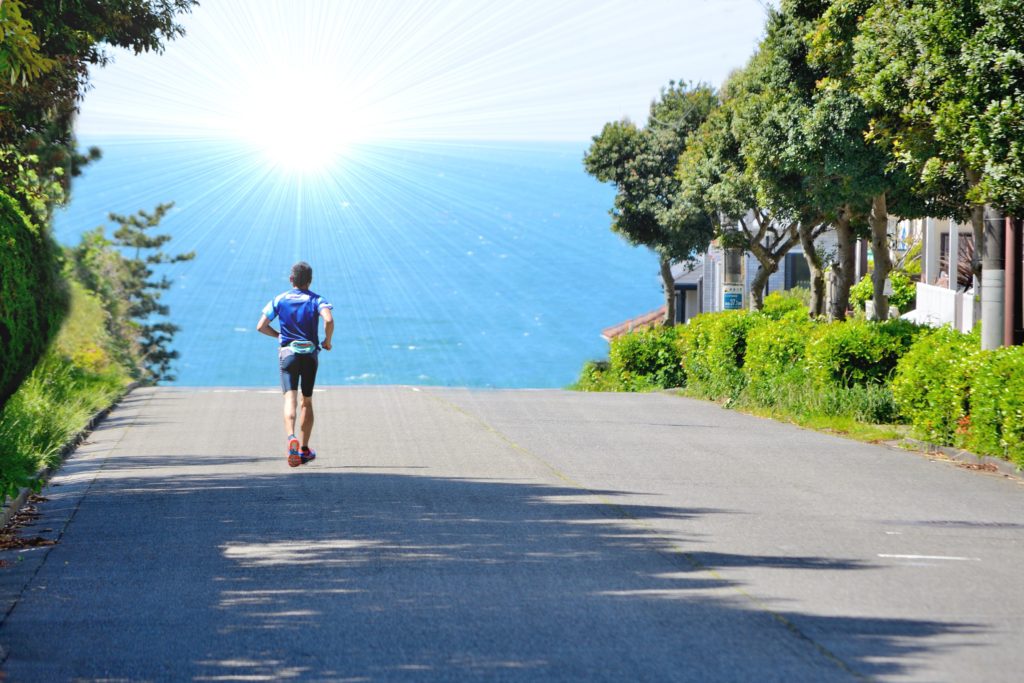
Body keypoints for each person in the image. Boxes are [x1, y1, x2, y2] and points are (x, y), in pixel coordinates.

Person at [256, 261, 333, 467]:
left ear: (292, 279)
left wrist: (279, 336)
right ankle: (305, 450)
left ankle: (291, 438)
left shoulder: (279, 299)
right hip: (309, 355)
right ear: (310, 280)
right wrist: (327, 341)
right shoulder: (317, 300)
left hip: (288, 353)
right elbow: (328, 319)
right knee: (306, 401)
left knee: (290, 398)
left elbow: (261, 326)